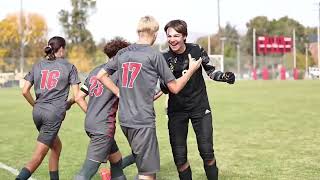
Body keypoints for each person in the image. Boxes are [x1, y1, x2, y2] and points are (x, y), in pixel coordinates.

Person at [96, 16, 202, 180]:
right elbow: (174, 87)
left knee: (142, 165)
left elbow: (101, 75)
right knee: (147, 174)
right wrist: (191, 70)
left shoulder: (122, 53)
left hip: (124, 119)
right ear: (153, 33)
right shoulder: (154, 55)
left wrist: (119, 92)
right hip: (142, 120)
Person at [161, 19, 235, 180]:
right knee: (180, 158)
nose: (172, 39)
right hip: (176, 111)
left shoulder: (196, 50)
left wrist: (224, 77)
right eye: (169, 36)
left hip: (200, 108)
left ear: (185, 36)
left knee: (207, 152)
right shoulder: (163, 58)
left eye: (177, 35)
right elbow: (163, 87)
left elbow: (211, 72)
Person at [16, 36, 80, 180]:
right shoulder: (69, 67)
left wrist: (35, 105)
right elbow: (77, 96)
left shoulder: (38, 65)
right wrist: (69, 103)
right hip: (53, 114)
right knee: (37, 158)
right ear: (62, 49)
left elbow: (25, 91)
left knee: (56, 147)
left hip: (37, 112)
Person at [74, 38, 135, 180]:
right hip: (103, 128)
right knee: (86, 172)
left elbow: (78, 97)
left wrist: (92, 114)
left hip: (90, 123)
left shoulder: (96, 71)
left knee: (117, 162)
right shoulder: (120, 73)